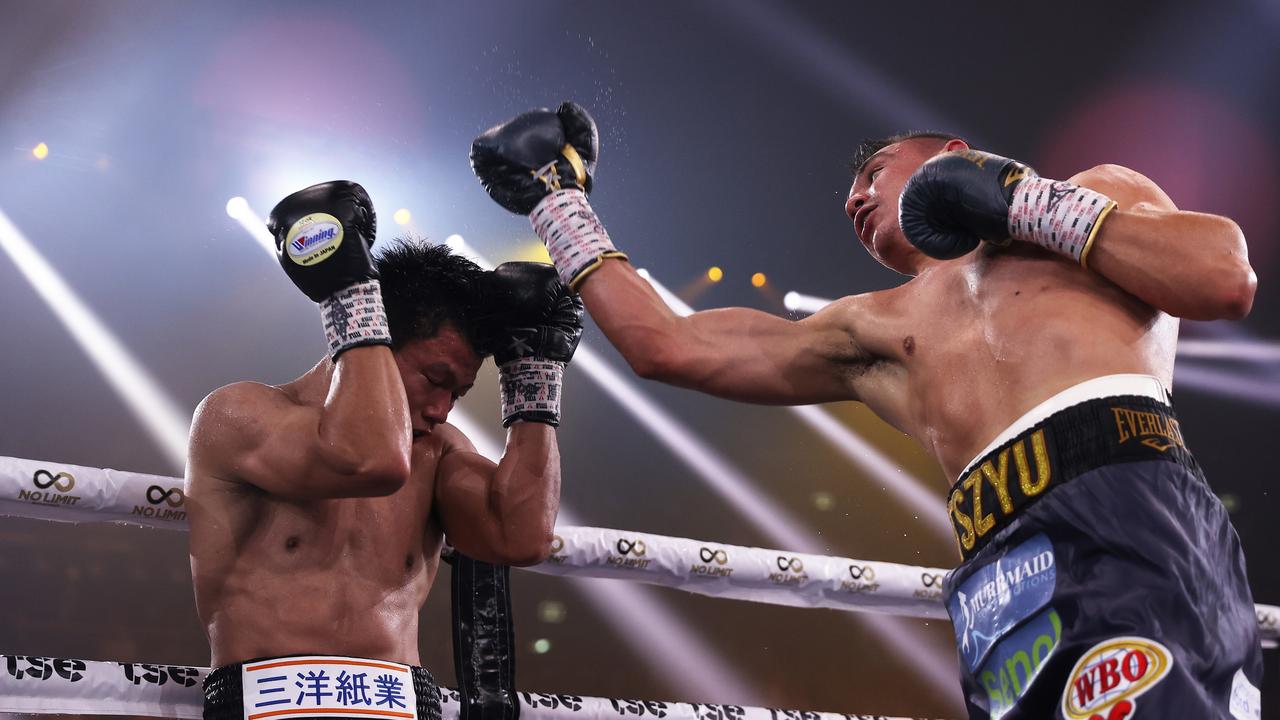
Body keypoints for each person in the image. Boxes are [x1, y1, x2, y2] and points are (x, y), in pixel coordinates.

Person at [469, 105, 1263, 720]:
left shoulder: (1095, 198)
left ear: (952, 158)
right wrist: (558, 202)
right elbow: (667, 346)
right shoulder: (869, 327)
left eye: (873, 172)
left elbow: (1223, 277)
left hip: (1129, 506)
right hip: (997, 576)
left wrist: (1022, 200)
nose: (853, 197)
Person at [186, 180, 583, 720]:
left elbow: (521, 535)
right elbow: (368, 459)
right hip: (273, 700)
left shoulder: (438, 451)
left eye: (459, 393)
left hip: (398, 700)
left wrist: (533, 380)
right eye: (434, 378)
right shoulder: (239, 416)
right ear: (379, 337)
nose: (443, 409)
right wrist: (352, 297)